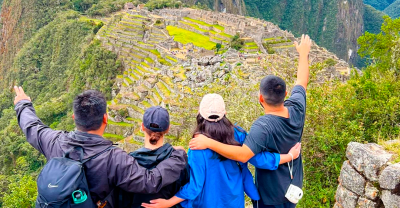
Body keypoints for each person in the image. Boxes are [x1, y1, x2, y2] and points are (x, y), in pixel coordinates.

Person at [188, 34, 312, 208]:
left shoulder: (263, 126)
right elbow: (302, 81)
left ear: (261, 98)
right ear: (285, 94)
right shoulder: (297, 108)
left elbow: (243, 155)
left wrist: (208, 142)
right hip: (292, 188)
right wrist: (303, 53)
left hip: (270, 195)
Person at [13, 88, 187, 207]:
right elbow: (150, 181)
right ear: (105, 118)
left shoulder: (55, 142)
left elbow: (32, 127)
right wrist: (178, 155)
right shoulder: (115, 159)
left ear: (74, 117)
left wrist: (23, 104)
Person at [142, 94, 301, 208]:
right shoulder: (238, 135)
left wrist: (168, 202)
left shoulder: (198, 146)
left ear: (200, 114)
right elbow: (258, 158)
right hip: (234, 200)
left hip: (209, 202)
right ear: (224, 113)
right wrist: (288, 156)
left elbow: (195, 186)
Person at [117, 106, 189, 208]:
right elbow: (186, 191)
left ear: (142, 127)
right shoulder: (179, 158)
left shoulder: (128, 163)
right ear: (168, 129)